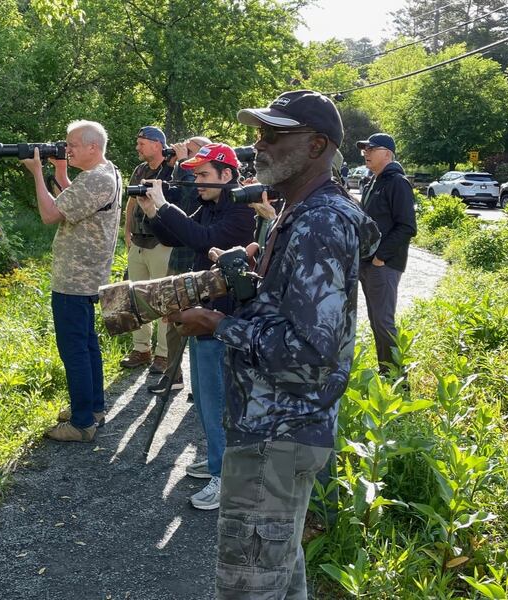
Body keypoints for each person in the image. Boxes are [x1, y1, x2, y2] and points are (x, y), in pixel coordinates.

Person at [166, 90, 381, 598]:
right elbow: (298, 315)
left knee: (251, 584)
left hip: (276, 434)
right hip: (278, 429)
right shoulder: (298, 212)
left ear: (316, 146)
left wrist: (216, 326)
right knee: (279, 576)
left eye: (273, 135)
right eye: (259, 133)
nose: (257, 146)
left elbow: (310, 351)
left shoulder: (319, 223)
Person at [136, 143, 255, 510]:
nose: (197, 181)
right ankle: (218, 461)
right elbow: (179, 236)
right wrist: (154, 212)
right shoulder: (209, 205)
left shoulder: (240, 212)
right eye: (195, 174)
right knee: (204, 398)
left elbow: (204, 240)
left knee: (218, 400)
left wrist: (165, 206)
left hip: (222, 319)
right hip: (202, 314)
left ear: (227, 175)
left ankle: (226, 477)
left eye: (204, 175)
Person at [22, 120, 121, 442]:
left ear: (93, 147)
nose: (67, 149)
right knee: (87, 344)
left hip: (75, 279)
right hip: (89, 275)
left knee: (74, 350)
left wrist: (37, 172)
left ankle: (81, 424)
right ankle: (92, 408)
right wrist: (61, 172)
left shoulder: (95, 179)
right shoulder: (108, 173)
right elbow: (75, 202)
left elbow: (51, 215)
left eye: (73, 145)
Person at [147, 135, 212, 395]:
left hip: (200, 260)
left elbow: (187, 204)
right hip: (179, 257)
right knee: (173, 320)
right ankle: (173, 373)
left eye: (194, 152)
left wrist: (185, 161)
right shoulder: (179, 172)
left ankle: (203, 382)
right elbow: (167, 195)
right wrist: (174, 163)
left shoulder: (207, 186)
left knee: (203, 321)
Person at [356, 133, 417, 374]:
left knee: (383, 323)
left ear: (388, 154)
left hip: (384, 265)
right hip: (368, 263)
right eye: (364, 150)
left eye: (371, 149)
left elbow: (407, 227)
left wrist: (381, 257)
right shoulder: (374, 181)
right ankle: (386, 374)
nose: (366, 154)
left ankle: (397, 382)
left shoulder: (397, 182)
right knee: (376, 321)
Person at [121, 126, 174, 375]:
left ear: (156, 144)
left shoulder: (172, 169)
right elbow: (132, 201)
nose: (137, 147)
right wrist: (127, 230)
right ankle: (141, 349)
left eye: (141, 143)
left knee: (163, 299)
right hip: (138, 243)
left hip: (162, 243)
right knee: (136, 297)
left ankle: (164, 354)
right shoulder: (140, 170)